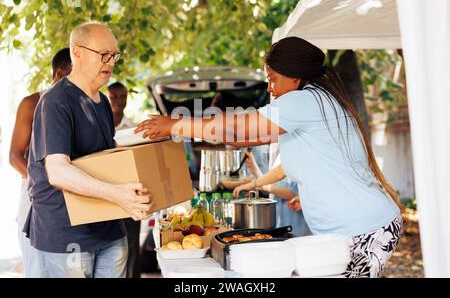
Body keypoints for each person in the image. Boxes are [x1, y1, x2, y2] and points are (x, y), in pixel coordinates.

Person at [135, 37, 403, 278]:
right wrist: (302, 193)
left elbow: (237, 131)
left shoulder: (302, 102)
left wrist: (176, 125)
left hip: (363, 230)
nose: (270, 88)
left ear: (294, 76)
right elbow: (307, 161)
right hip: (357, 227)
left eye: (273, 78)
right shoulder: (319, 100)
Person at [23, 22, 154, 278]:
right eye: (103, 54)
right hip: (66, 236)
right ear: (77, 53)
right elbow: (59, 172)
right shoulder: (55, 102)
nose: (110, 61)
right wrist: (118, 194)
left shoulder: (102, 102)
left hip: (109, 230)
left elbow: (105, 159)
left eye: (114, 55)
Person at [9, 47, 72, 277]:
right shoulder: (32, 103)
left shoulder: (80, 107)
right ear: (58, 75)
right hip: (36, 209)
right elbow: (14, 157)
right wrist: (49, 183)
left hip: (69, 210)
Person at [106, 81, 141, 279]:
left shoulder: (133, 129)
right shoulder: (99, 125)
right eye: (114, 97)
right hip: (106, 194)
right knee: (111, 249)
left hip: (131, 193)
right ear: (107, 98)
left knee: (132, 246)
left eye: (123, 97)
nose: (119, 101)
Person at [238, 149, 311, 237]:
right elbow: (274, 183)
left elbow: (294, 193)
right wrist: (254, 168)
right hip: (281, 223)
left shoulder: (297, 150)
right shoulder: (277, 150)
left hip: (296, 226)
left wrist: (259, 184)